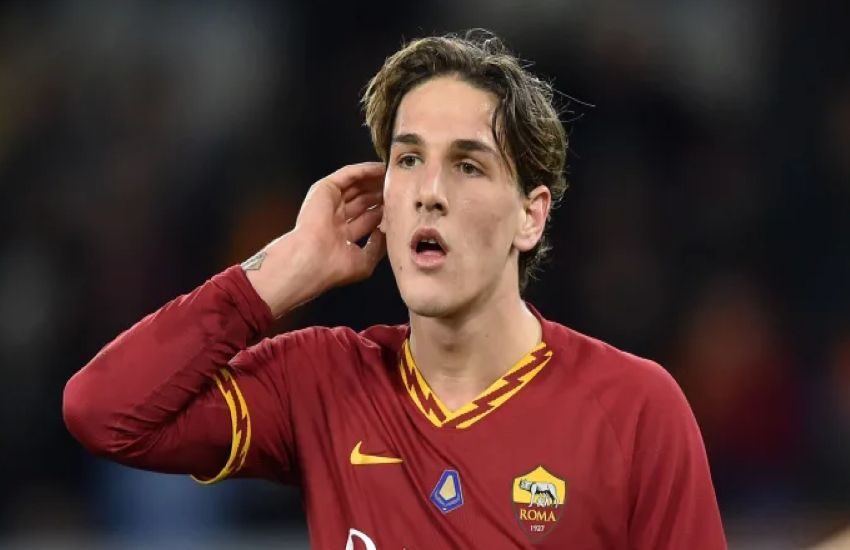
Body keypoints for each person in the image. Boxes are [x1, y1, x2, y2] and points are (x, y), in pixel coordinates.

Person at [63, 30, 726, 549]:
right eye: (408, 159)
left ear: (531, 215)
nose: (429, 192)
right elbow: (104, 412)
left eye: (467, 166)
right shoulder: (321, 382)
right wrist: (282, 270)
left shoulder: (635, 409)